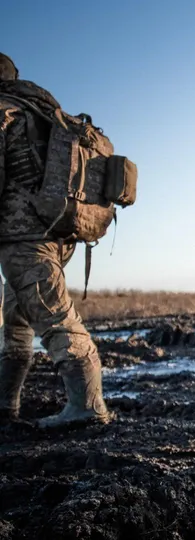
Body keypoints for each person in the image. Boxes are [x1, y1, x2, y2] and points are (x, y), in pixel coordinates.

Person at [0, 52, 111, 428]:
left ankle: (88, 406)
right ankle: (6, 405)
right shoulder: (45, 112)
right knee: (16, 317)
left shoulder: (5, 110)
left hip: (24, 235)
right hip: (58, 230)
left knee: (52, 315)